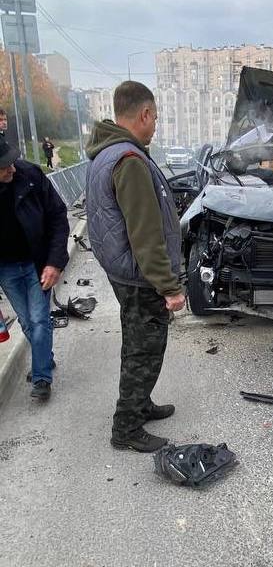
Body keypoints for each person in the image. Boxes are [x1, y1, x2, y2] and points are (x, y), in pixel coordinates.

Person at [86, 81, 186, 453]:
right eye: (155, 118)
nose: (156, 125)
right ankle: (126, 428)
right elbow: (146, 234)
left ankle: (140, 404)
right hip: (139, 276)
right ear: (144, 114)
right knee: (144, 350)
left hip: (122, 271)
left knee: (136, 344)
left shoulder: (105, 154)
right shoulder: (129, 160)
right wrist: (170, 287)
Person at [0, 139, 69, 401]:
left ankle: (41, 378)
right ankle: (45, 356)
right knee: (28, 321)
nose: (12, 169)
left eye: (11, 161)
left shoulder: (30, 175)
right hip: (6, 268)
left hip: (36, 262)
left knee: (40, 320)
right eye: (4, 166)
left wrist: (55, 262)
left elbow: (58, 216)